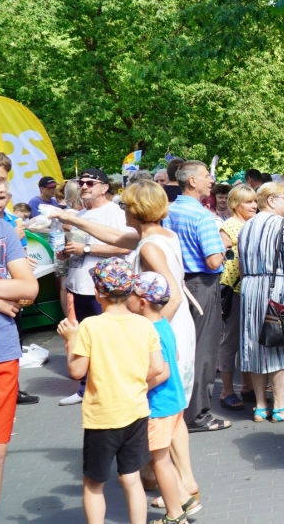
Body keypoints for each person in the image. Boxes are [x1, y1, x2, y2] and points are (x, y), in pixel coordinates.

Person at [46, 180, 203, 509]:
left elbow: (172, 293)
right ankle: (180, 479)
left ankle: (182, 483)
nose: (122, 210)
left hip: (163, 329)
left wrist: (149, 330)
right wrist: (71, 218)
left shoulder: (147, 246)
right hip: (172, 328)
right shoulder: (158, 236)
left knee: (162, 408)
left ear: (135, 209)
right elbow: (115, 237)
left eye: (126, 205)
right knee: (173, 410)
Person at [56, 258, 165, 524]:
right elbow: (158, 367)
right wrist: (132, 377)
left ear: (97, 291)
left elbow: (77, 372)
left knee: (94, 483)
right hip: (136, 411)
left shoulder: (90, 326)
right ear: (129, 290)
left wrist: (70, 341)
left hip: (102, 416)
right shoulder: (144, 325)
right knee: (130, 478)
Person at [0, 145, 39, 524]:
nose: (3, 189)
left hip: (0, 353)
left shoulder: (3, 228)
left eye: (4, 181)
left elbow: (28, 290)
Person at [129, 272, 201, 524]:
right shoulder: (163, 325)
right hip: (174, 401)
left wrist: (135, 386)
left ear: (141, 302)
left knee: (160, 461)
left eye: (131, 294)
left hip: (158, 405)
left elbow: (162, 370)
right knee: (162, 459)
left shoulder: (148, 331)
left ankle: (174, 514)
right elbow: (177, 355)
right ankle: (185, 498)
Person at [237, 182, 284, 423]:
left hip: (250, 289)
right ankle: (279, 407)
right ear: (270, 200)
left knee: (256, 346)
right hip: (278, 288)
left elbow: (240, 266)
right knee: (278, 343)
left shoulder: (246, 226)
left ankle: (260, 406)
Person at [59, 168, 135, 407]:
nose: (84, 186)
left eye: (90, 183)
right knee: (85, 339)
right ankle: (87, 388)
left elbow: (125, 247)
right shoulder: (81, 213)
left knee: (108, 340)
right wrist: (67, 252)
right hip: (79, 285)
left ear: (104, 187)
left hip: (103, 291)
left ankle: (114, 389)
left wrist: (87, 250)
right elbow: (80, 248)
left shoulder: (114, 212)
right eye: (81, 182)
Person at [165, 160, 230, 433]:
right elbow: (214, 261)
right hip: (201, 286)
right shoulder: (202, 216)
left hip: (174, 284)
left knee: (180, 348)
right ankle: (198, 415)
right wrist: (226, 242)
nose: (211, 181)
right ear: (192, 181)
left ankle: (179, 409)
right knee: (203, 351)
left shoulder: (168, 211)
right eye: (206, 176)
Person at [217, 185, 258, 411]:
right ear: (235, 205)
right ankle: (226, 390)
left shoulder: (252, 224)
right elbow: (219, 255)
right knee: (231, 341)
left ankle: (247, 386)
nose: (253, 205)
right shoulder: (230, 226)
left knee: (248, 341)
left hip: (249, 290)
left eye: (254, 201)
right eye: (247, 202)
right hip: (234, 291)